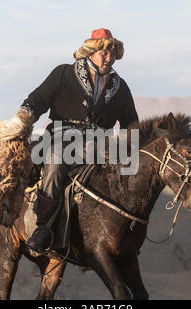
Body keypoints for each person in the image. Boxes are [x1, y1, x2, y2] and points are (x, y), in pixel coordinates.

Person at [8, 28, 139, 251]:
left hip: (100, 143)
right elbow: (38, 99)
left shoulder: (121, 86)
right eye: (103, 53)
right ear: (90, 52)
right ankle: (43, 227)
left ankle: (116, 232)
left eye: (112, 53)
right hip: (62, 136)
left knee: (122, 173)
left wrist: (130, 150)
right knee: (55, 161)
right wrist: (23, 118)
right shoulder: (64, 73)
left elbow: (130, 122)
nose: (109, 58)